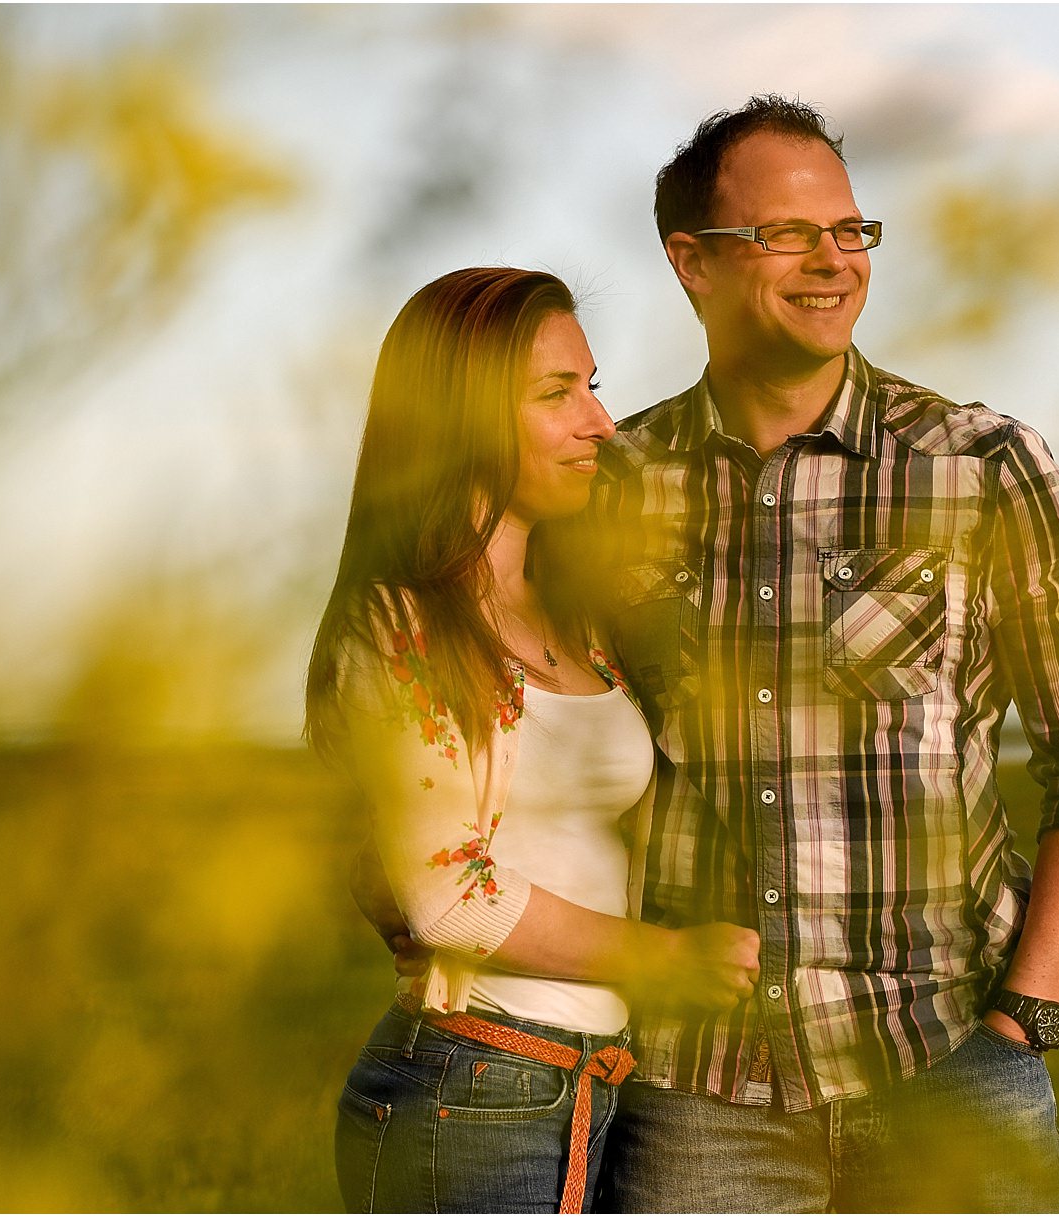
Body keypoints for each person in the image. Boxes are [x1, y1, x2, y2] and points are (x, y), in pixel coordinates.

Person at [547, 96, 1059, 1212]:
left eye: (850, 231)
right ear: (691, 261)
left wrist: (1023, 1018)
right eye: (786, 233)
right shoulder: (608, 486)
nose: (831, 261)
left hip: (949, 1069)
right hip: (697, 1097)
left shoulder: (987, 467)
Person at [305, 267, 763, 1214]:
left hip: (590, 1086)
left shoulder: (576, 620)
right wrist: (664, 959)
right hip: (472, 1090)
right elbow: (447, 897)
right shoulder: (399, 625)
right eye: (558, 394)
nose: (599, 422)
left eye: (592, 386)